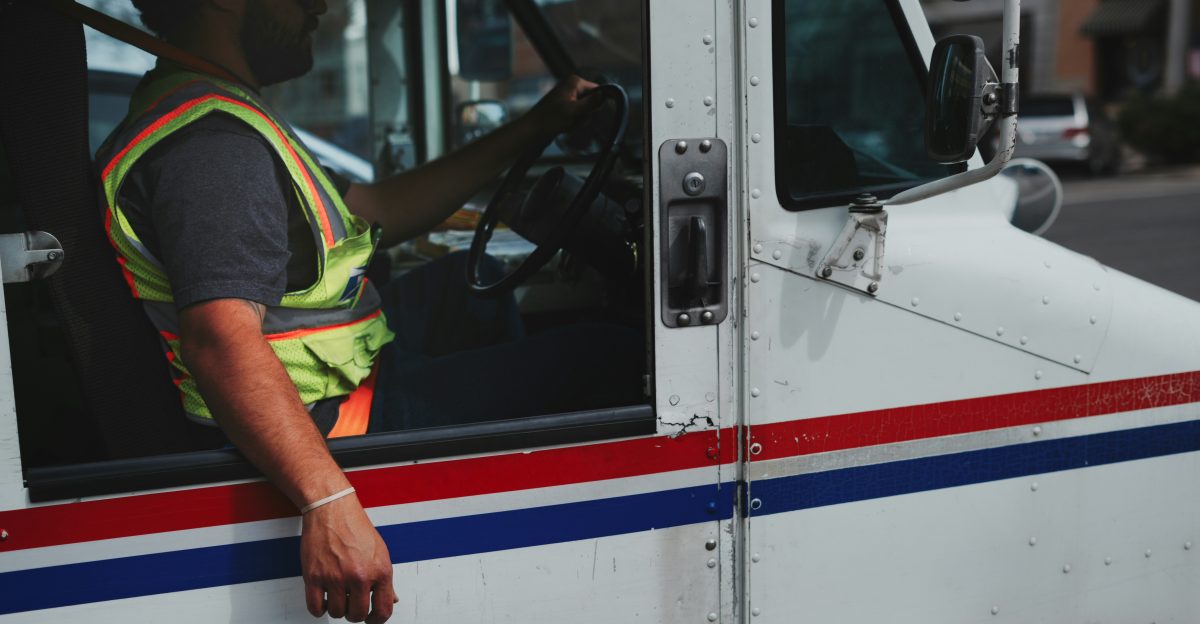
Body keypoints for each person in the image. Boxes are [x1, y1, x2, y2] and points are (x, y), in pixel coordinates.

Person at [96, 0, 641, 622]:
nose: (319, 7)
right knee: (606, 354)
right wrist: (329, 503)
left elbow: (380, 205)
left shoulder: (218, 106)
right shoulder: (214, 145)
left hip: (342, 380)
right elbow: (219, 340)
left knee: (464, 282)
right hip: (331, 426)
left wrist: (536, 124)